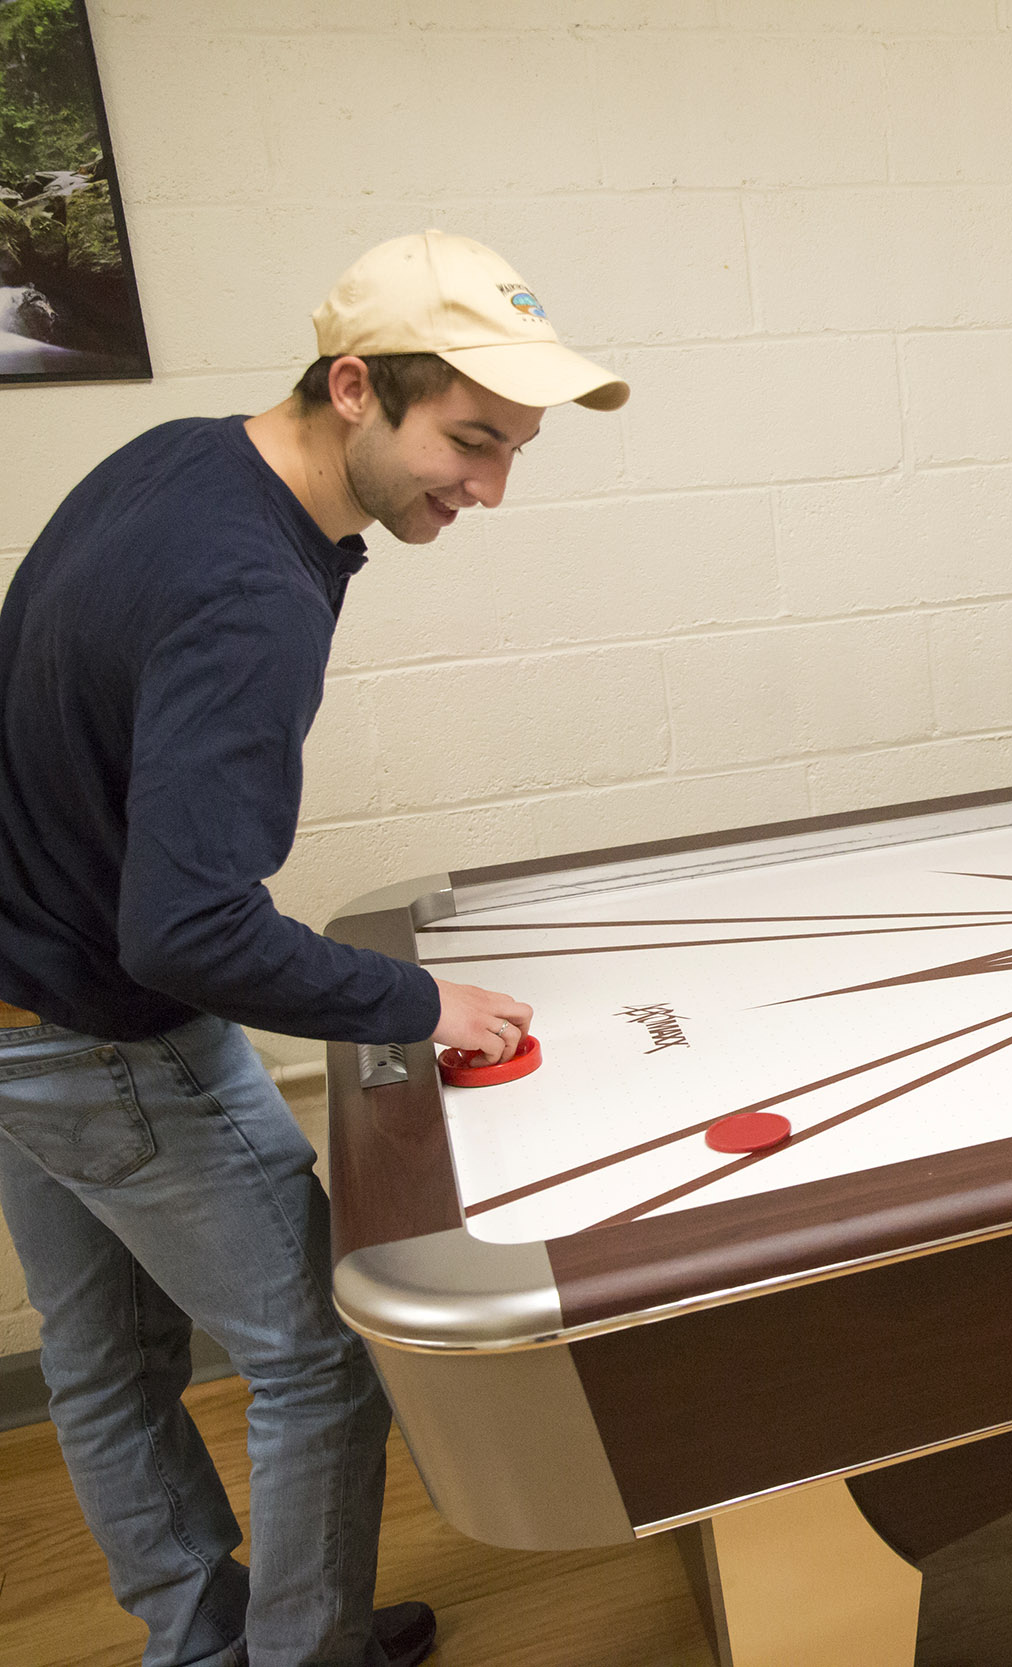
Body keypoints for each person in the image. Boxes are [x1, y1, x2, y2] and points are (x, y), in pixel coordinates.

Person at [0, 231, 627, 1667]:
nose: (490, 487)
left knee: (104, 1366)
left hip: (19, 995)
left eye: (513, 447)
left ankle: (206, 1644)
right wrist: (418, 1001)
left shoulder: (179, 457)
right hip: (101, 1032)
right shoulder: (250, 591)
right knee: (326, 1360)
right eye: (470, 441)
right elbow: (190, 926)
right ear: (354, 386)